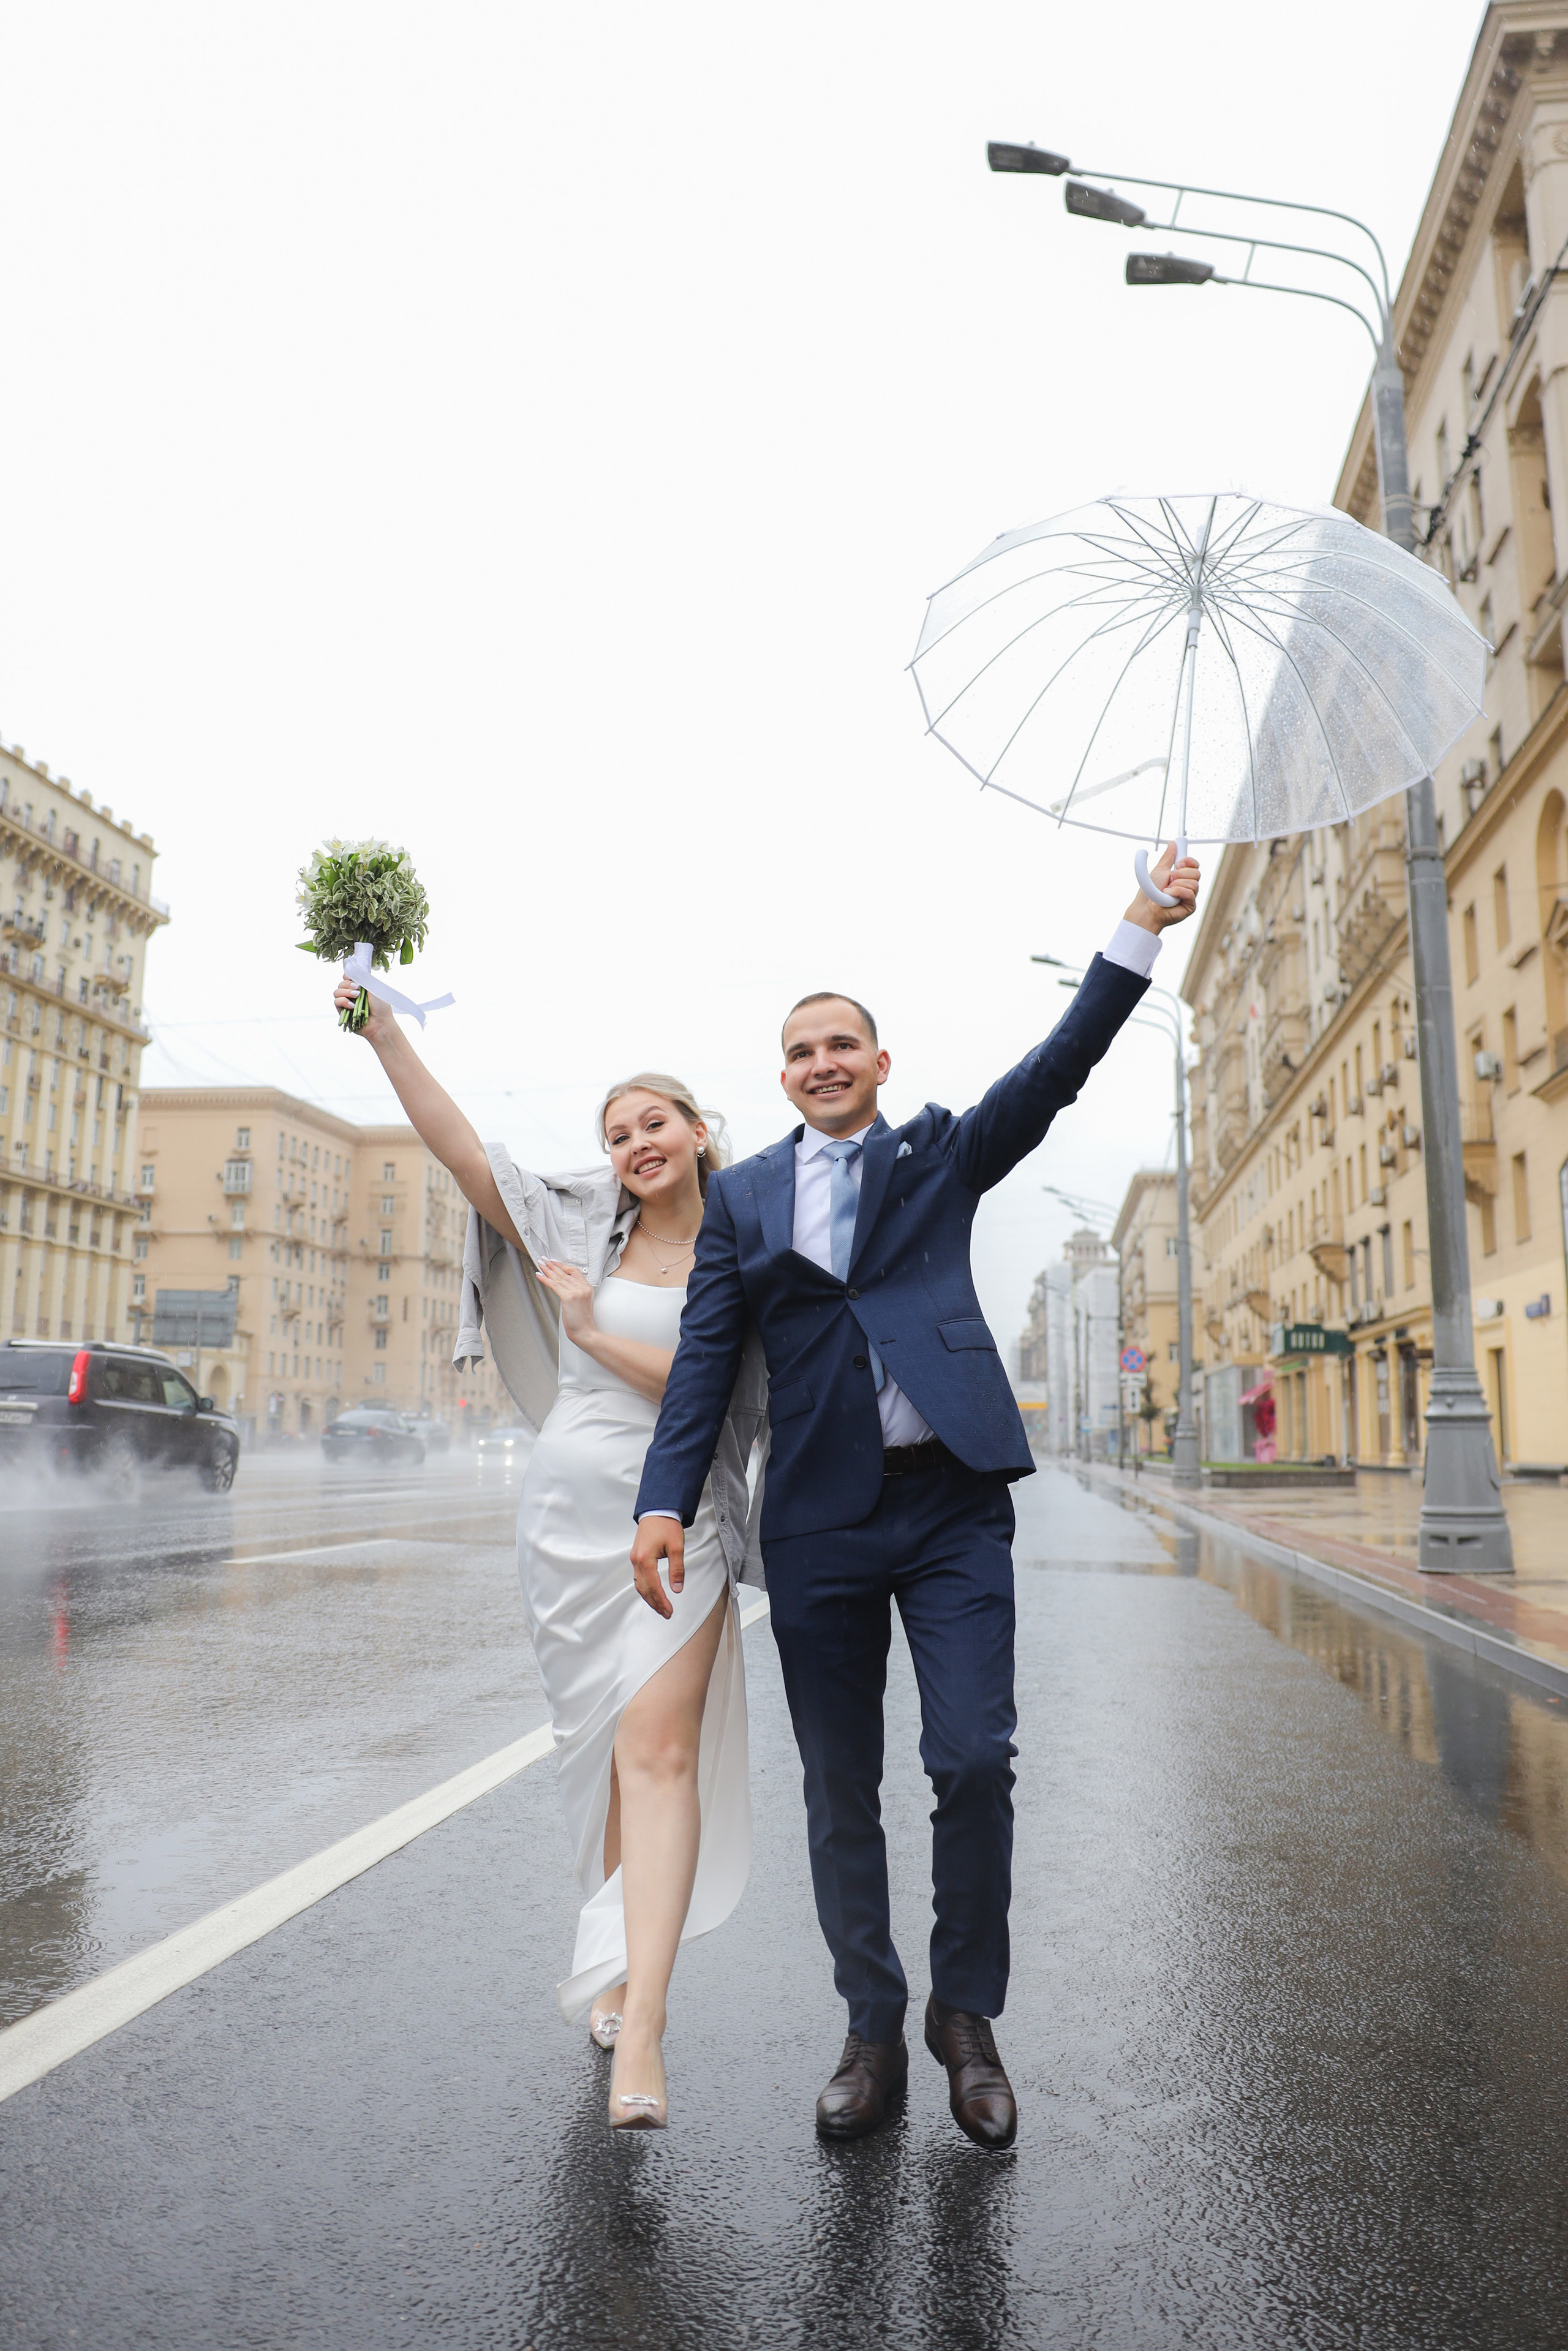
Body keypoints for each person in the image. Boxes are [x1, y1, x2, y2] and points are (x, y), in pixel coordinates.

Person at [631, 843, 1200, 2149]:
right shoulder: (739, 1197)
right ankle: (869, 2024)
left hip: (946, 1502)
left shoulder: (939, 1156)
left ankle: (966, 2017)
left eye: (842, 1043)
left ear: (877, 1064)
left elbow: (1053, 1073)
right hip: (818, 1515)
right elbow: (709, 1356)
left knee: (971, 1757)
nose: (821, 1061)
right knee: (840, 1784)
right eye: (798, 1050)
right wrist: (666, 1497)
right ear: (780, 1078)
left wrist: (1134, 924)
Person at [333, 978, 766, 2132]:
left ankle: (653, 2028)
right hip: (568, 1522)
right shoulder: (580, 1229)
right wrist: (384, 1031)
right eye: (616, 1132)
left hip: (686, 1521)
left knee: (656, 1749)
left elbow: (712, 1399)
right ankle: (613, 1964)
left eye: (653, 1122)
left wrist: (587, 1333)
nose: (635, 1144)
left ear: (699, 1130)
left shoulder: (748, 1241)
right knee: (603, 1764)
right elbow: (469, 1156)